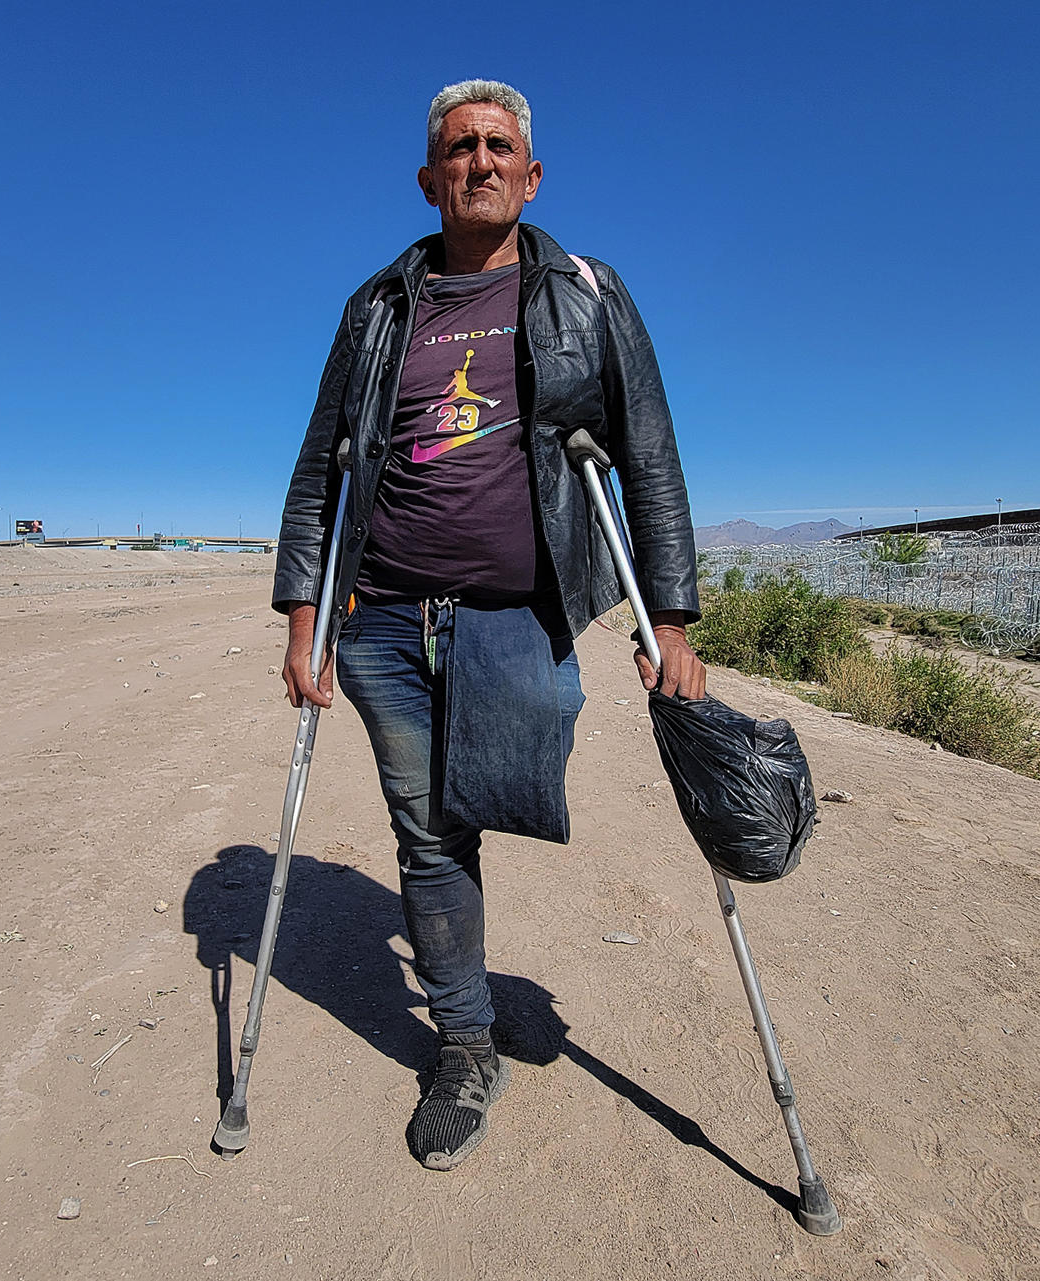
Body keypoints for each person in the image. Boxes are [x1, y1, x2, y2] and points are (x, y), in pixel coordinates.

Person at [272, 79, 706, 1171]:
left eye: (498, 146)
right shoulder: (377, 306)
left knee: (495, 794)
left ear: (532, 172)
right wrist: (301, 610)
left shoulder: (587, 295)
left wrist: (674, 618)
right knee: (427, 830)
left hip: (521, 613)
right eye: (458, 148)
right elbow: (322, 463)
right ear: (429, 179)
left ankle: (465, 955)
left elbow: (647, 458)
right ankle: (465, 1042)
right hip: (380, 616)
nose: (479, 161)